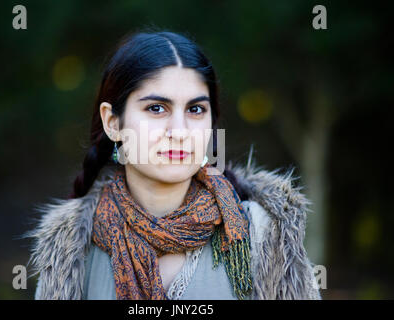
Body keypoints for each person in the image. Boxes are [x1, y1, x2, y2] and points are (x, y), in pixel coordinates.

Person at [24, 29, 321, 300]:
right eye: (156, 108)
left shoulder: (260, 234)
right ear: (113, 122)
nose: (179, 131)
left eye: (195, 109)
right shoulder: (72, 249)